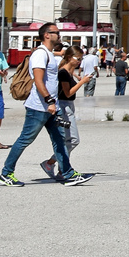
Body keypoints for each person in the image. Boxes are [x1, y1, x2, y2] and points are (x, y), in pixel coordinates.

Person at [0, 23, 86, 185]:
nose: (59, 35)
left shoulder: (49, 54)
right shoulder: (40, 54)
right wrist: (49, 100)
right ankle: (6, 173)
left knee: (59, 140)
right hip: (39, 107)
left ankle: (67, 174)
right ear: (47, 35)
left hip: (50, 108)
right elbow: (39, 81)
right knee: (25, 139)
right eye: (56, 32)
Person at [40, 45, 94, 178]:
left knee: (67, 140)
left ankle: (62, 171)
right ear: (70, 58)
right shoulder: (63, 73)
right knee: (73, 139)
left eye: (81, 59)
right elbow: (68, 93)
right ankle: (51, 162)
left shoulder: (68, 72)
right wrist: (82, 82)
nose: (79, 61)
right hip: (64, 107)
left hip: (68, 106)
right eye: (78, 58)